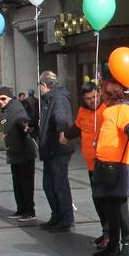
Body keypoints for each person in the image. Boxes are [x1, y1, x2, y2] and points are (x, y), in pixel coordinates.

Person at [92, 80, 129, 256]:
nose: (100, 95)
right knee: (112, 206)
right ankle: (114, 244)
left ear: (110, 93)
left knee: (118, 206)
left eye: (102, 92)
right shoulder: (110, 109)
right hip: (108, 165)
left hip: (119, 166)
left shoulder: (123, 109)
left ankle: (125, 244)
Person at [36, 71, 76, 231]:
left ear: (44, 85)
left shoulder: (57, 98)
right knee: (49, 185)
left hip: (58, 149)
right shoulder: (50, 99)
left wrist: (62, 132)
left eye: (40, 85)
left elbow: (62, 118)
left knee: (59, 185)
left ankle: (65, 219)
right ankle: (57, 215)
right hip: (50, 149)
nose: (39, 88)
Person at [74, 82, 109, 247]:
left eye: (95, 97)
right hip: (90, 165)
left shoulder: (106, 110)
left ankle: (110, 234)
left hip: (104, 164)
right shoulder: (82, 110)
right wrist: (64, 135)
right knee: (97, 199)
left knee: (104, 200)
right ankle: (105, 231)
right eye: (88, 98)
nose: (92, 101)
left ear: (99, 93)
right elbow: (76, 127)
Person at [0, 86, 37, 220]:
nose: (1, 101)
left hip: (24, 152)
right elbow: (1, 118)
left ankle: (29, 211)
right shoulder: (6, 109)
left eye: (3, 99)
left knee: (26, 183)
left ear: (9, 98)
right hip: (14, 152)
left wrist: (25, 126)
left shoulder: (16, 108)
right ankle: (21, 209)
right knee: (17, 183)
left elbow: (22, 119)